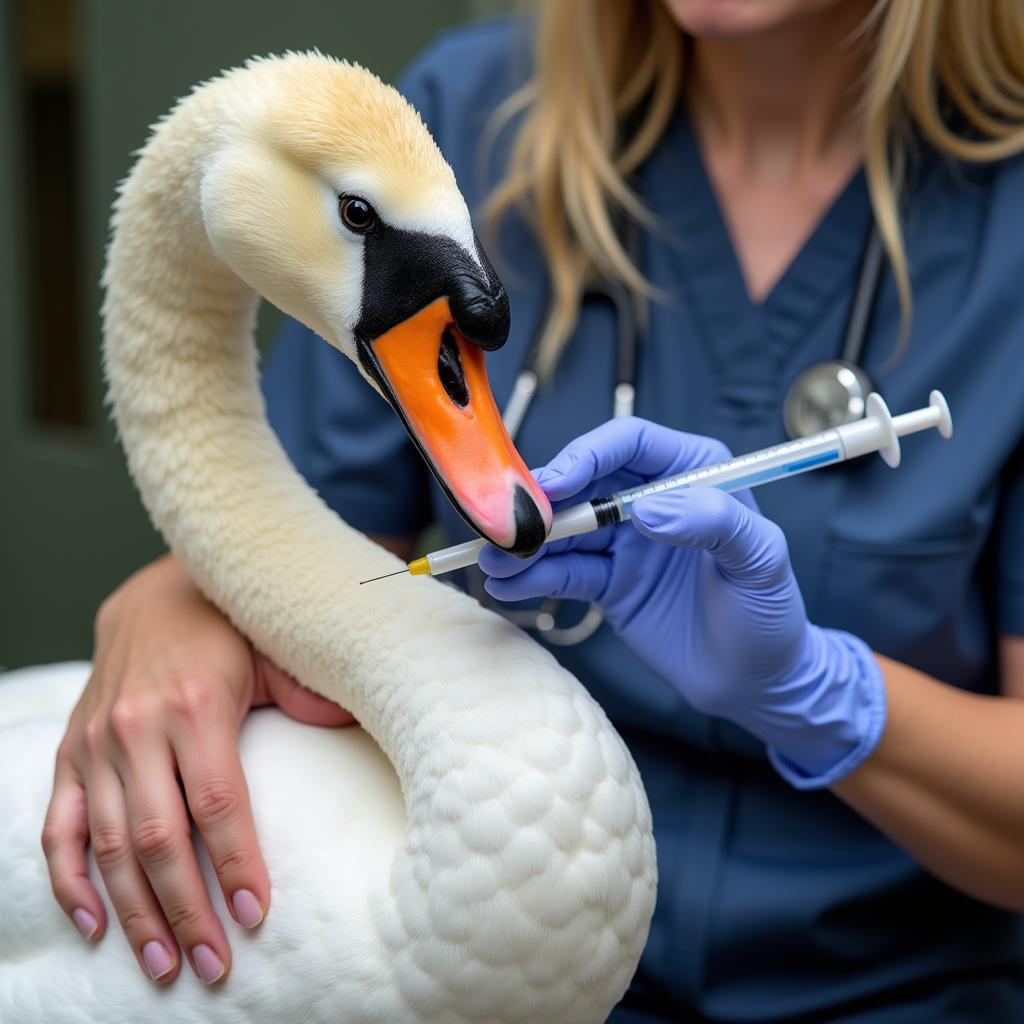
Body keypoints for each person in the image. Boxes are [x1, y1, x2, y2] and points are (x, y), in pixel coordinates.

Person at [42, 0, 1024, 1018]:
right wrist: (169, 602)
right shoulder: (458, 119)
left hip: (894, 990)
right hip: (504, 973)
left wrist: (821, 696)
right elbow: (308, 540)